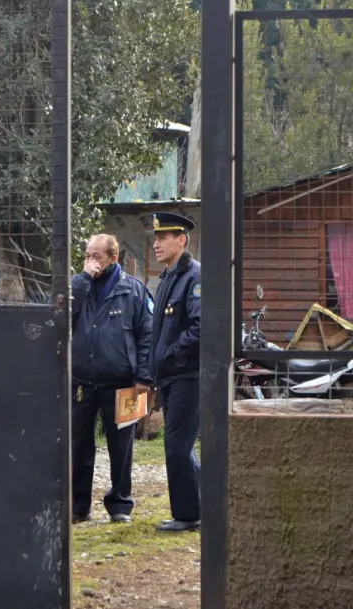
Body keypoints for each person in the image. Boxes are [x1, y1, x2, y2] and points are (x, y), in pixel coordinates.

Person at [70, 234, 153, 524]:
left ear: (113, 258)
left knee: (122, 447)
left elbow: (148, 336)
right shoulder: (78, 286)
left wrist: (144, 376)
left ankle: (120, 505)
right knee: (79, 444)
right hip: (81, 382)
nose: (91, 261)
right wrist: (81, 279)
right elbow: (57, 314)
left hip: (124, 383)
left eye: (97, 256)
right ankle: (78, 506)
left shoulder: (134, 291)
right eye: (88, 255)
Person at [148, 211, 201, 532]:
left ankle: (188, 514)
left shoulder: (194, 276)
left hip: (186, 375)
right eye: (155, 238)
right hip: (169, 374)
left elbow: (200, 327)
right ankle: (202, 503)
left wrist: (171, 355)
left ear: (180, 240)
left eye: (162, 237)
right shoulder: (169, 276)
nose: (155, 243)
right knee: (179, 445)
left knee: (177, 445)